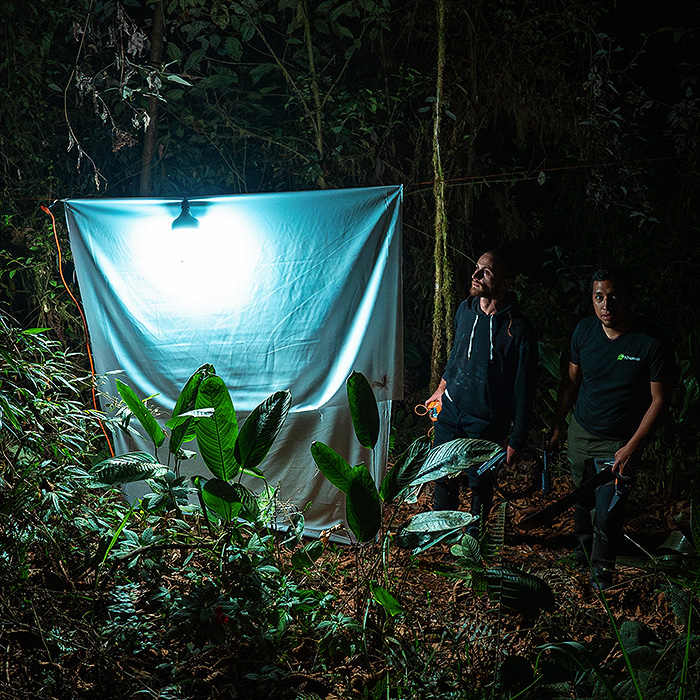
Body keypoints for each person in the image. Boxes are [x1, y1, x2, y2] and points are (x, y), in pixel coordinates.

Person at [549, 265, 675, 591]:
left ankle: (601, 580)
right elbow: (571, 381)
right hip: (581, 431)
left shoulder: (650, 341)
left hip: (620, 440)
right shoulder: (584, 332)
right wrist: (558, 425)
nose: (607, 305)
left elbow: (659, 401)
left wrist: (633, 446)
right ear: (592, 299)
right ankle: (580, 552)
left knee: (607, 514)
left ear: (628, 298)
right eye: (599, 297)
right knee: (581, 497)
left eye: (614, 296)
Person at [425, 249, 538, 531]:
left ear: (505, 281)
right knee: (442, 473)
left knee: (480, 482)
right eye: (476, 268)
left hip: (487, 421)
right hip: (451, 409)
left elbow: (525, 389)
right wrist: (440, 389)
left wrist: (517, 439)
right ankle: (440, 533)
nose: (475, 275)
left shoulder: (518, 331)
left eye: (485, 272)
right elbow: (456, 355)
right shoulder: (465, 309)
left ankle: (474, 541)